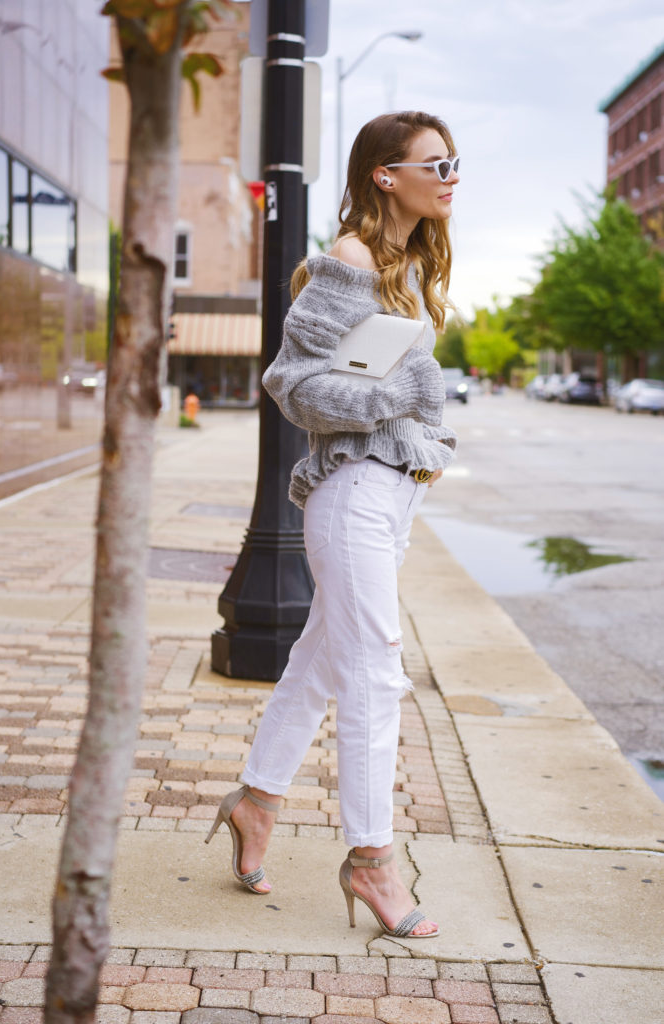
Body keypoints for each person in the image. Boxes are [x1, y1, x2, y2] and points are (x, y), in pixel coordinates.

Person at [206, 110, 459, 939]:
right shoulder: (349, 261)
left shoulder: (409, 264)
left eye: (455, 163)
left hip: (391, 493)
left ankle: (255, 801)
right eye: (438, 163)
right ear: (386, 174)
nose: (452, 176)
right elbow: (293, 383)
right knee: (376, 672)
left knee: (318, 664)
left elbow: (403, 383)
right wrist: (400, 399)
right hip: (350, 489)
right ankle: (371, 859)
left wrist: (429, 435)